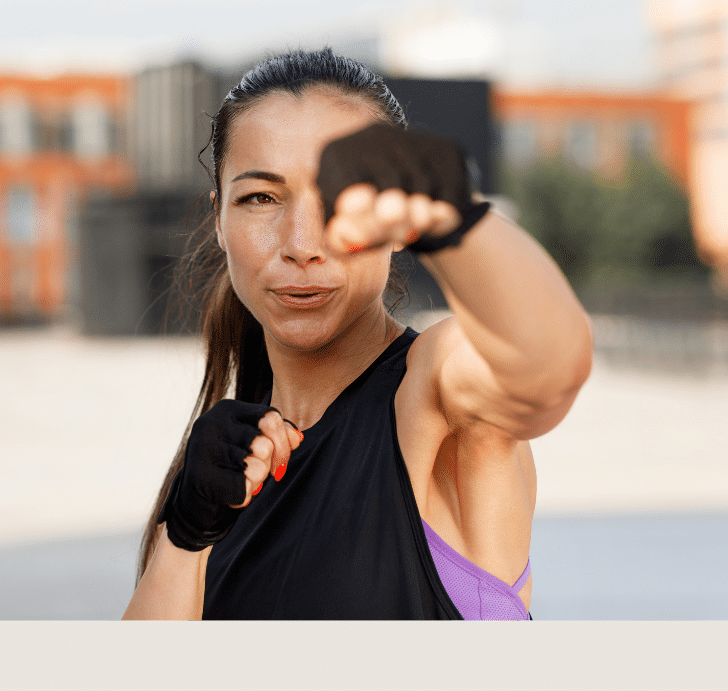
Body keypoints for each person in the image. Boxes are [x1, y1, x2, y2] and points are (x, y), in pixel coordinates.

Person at [123, 48, 593, 620]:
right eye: (261, 198)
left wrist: (450, 220)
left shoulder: (434, 396)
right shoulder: (222, 472)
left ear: (396, 225)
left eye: (338, 200)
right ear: (219, 220)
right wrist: (185, 535)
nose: (301, 244)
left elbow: (550, 367)